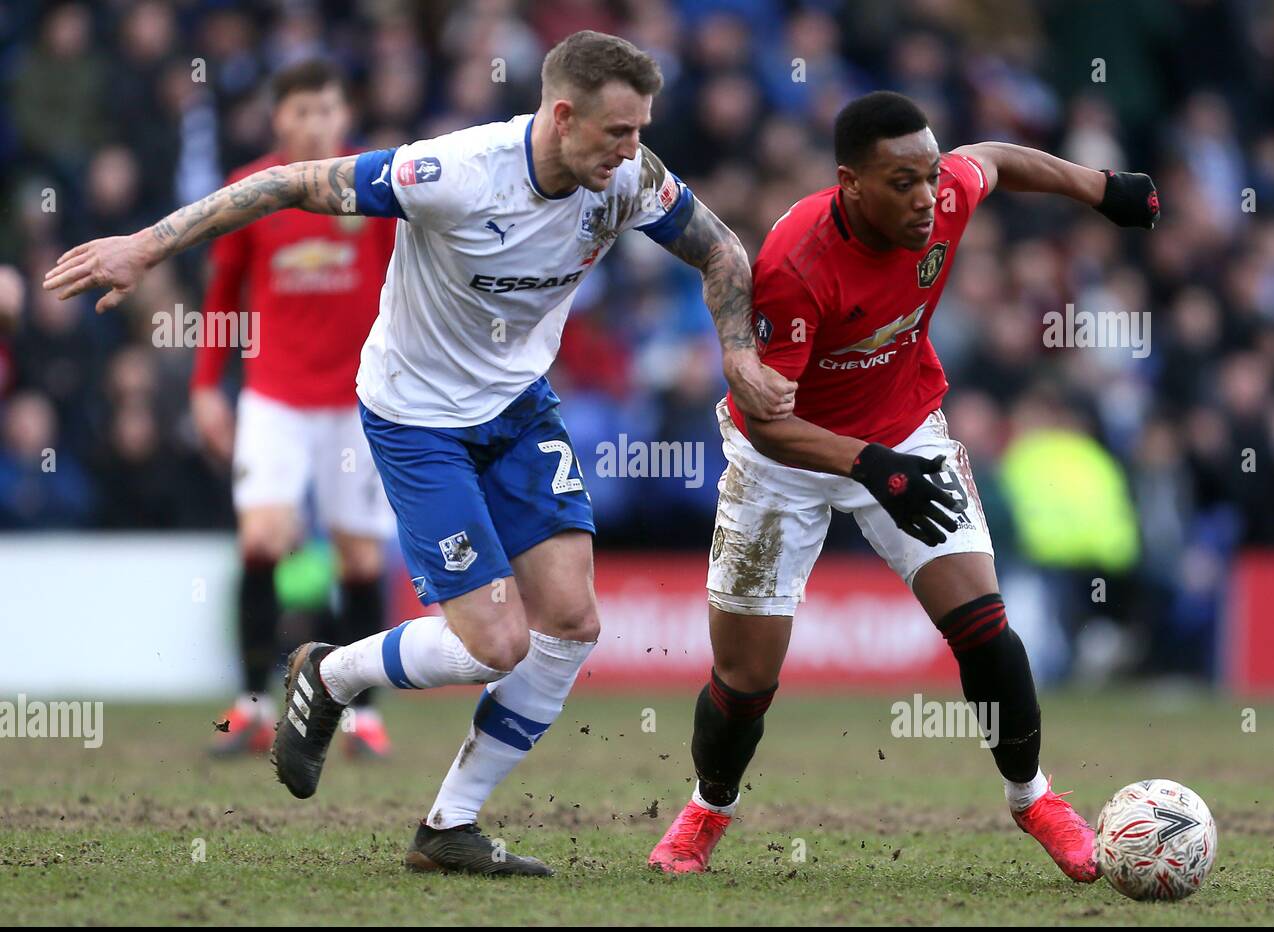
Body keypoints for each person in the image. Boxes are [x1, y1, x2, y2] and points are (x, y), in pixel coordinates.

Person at [43, 30, 795, 876]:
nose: (633, 152)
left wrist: (737, 351)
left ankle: (449, 826)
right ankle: (329, 674)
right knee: (494, 642)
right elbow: (290, 182)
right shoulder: (452, 172)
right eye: (618, 132)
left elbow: (722, 250)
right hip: (417, 420)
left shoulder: (629, 179)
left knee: (573, 622)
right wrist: (145, 245)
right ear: (561, 114)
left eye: (640, 131)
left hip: (517, 410)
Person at [647, 91, 1160, 882]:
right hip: (784, 461)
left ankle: (1033, 797)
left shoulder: (944, 194)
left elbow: (992, 158)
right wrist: (867, 466)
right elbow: (769, 420)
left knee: (987, 626)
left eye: (928, 176)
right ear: (850, 182)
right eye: (901, 182)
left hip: (905, 430)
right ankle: (708, 808)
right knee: (747, 678)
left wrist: (1100, 187)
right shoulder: (795, 265)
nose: (925, 198)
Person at [192, 59, 398, 759]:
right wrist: (202, 386)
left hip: (357, 401)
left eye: (327, 109)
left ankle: (363, 716)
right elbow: (221, 296)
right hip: (273, 396)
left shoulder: (371, 187)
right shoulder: (248, 191)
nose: (315, 122)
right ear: (278, 118)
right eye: (301, 110)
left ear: (345, 116)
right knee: (263, 538)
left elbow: (407, 284)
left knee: (358, 553)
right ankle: (250, 704)